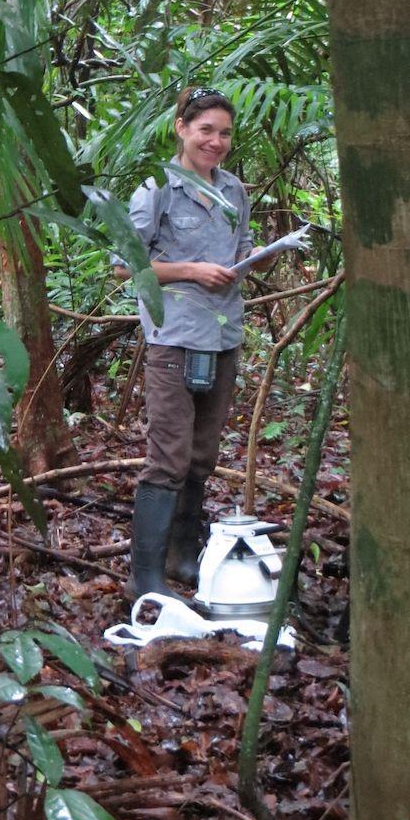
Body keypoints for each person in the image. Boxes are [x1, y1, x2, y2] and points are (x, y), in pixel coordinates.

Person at [114, 85, 269, 600]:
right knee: (170, 457)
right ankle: (146, 574)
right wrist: (191, 272)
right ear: (182, 128)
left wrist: (257, 258)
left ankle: (183, 557)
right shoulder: (155, 187)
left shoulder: (235, 191)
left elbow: (241, 248)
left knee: (202, 456)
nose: (216, 141)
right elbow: (126, 264)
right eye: (206, 130)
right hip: (173, 339)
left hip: (222, 337)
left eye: (224, 133)